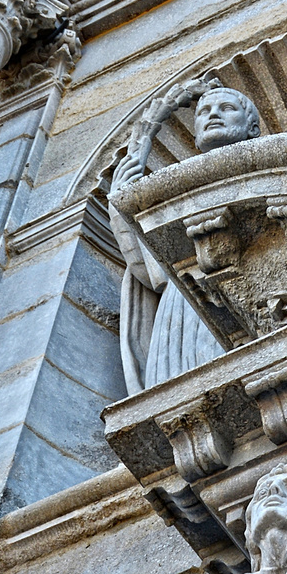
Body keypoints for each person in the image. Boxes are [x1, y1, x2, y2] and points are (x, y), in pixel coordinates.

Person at [108, 77, 260, 393]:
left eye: (227, 108)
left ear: (253, 128)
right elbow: (153, 271)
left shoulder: (264, 172)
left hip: (240, 287)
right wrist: (117, 204)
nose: (213, 115)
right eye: (204, 111)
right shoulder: (174, 187)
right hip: (183, 305)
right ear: (194, 132)